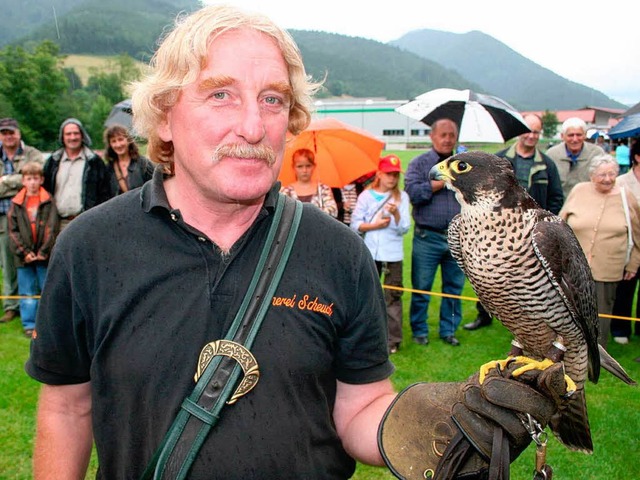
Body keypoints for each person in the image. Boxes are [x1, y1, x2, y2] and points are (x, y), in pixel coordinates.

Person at [25, 6, 565, 479]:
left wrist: (443, 425)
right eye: (221, 94)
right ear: (165, 117)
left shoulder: (340, 253)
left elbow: (359, 408)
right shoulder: (90, 247)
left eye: (272, 100)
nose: (254, 126)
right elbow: (66, 411)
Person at [466, 113, 564, 331]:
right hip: (497, 231)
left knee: (528, 282)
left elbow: (557, 197)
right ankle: (484, 315)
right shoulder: (498, 160)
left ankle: (530, 323)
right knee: (488, 276)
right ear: (520, 131)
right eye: (528, 130)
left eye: (536, 132)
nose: (532, 136)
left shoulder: (547, 164)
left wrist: (543, 226)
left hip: (533, 234)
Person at [559, 154, 640, 348]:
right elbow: (560, 222)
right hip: (573, 266)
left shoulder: (624, 195)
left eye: (612, 174)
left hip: (609, 266)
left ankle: (596, 353)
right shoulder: (579, 190)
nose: (607, 179)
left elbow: (638, 233)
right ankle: (567, 349)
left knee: (601, 312)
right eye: (602, 174)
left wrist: (633, 263)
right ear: (592, 175)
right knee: (569, 309)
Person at [405, 118, 465, 346]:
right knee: (422, 286)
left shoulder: (463, 165)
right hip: (427, 237)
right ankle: (419, 330)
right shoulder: (420, 164)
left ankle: (448, 330)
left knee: (453, 289)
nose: (448, 139)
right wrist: (441, 181)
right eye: (443, 134)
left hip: (458, 238)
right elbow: (414, 193)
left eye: (452, 135)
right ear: (432, 137)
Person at [351, 154, 411, 354]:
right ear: (379, 174)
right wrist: (374, 225)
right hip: (370, 252)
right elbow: (355, 224)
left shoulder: (402, 197)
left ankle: (393, 340)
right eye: (388, 174)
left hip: (393, 254)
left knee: (392, 296)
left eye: (395, 175)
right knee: (368, 295)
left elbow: (404, 228)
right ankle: (370, 336)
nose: (392, 179)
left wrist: (396, 214)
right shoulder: (366, 196)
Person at [7, 161, 58, 338]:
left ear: (42, 179)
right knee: (27, 291)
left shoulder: (48, 201)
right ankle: (29, 323)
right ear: (23, 181)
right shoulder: (16, 203)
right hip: (24, 258)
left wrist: (43, 252)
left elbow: (52, 227)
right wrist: (25, 252)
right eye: (28, 179)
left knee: (46, 289)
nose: (32, 182)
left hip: (43, 255)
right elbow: (12, 231)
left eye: (36, 178)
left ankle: (46, 323)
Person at [0, 117, 43, 324]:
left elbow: (34, 175)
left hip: (30, 217)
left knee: (33, 263)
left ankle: (36, 307)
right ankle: (10, 305)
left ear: (18, 133)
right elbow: (23, 180)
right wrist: (17, 181)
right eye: (4, 133)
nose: (8, 136)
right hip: (3, 217)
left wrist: (5, 181)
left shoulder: (32, 153)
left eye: (11, 132)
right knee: (8, 262)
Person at [43, 118, 110, 230]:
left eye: (76, 133)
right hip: (57, 224)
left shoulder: (94, 162)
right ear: (62, 137)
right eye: (68, 134)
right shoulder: (53, 162)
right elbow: (45, 190)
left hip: (85, 223)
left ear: (82, 135)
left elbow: (104, 193)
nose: (72, 137)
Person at [611, 139, 640, 343]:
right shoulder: (621, 183)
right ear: (637, 157)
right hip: (630, 241)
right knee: (626, 285)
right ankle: (620, 329)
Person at [546, 117, 606, 198]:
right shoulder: (552, 155)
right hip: (560, 205)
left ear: (585, 135)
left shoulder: (596, 153)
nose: (575, 139)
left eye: (579, 135)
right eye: (570, 135)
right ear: (562, 136)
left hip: (589, 202)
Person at [280, 147, 338, 217]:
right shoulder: (286, 191)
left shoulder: (323, 189)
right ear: (293, 167)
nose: (304, 170)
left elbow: (333, 211)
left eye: (308, 166)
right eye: (300, 166)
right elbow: (282, 213)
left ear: (314, 166)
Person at [103, 123, 154, 197]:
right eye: (113, 141)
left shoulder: (144, 164)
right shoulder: (108, 169)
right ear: (110, 145)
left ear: (128, 140)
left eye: (120, 139)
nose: (118, 144)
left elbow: (154, 190)